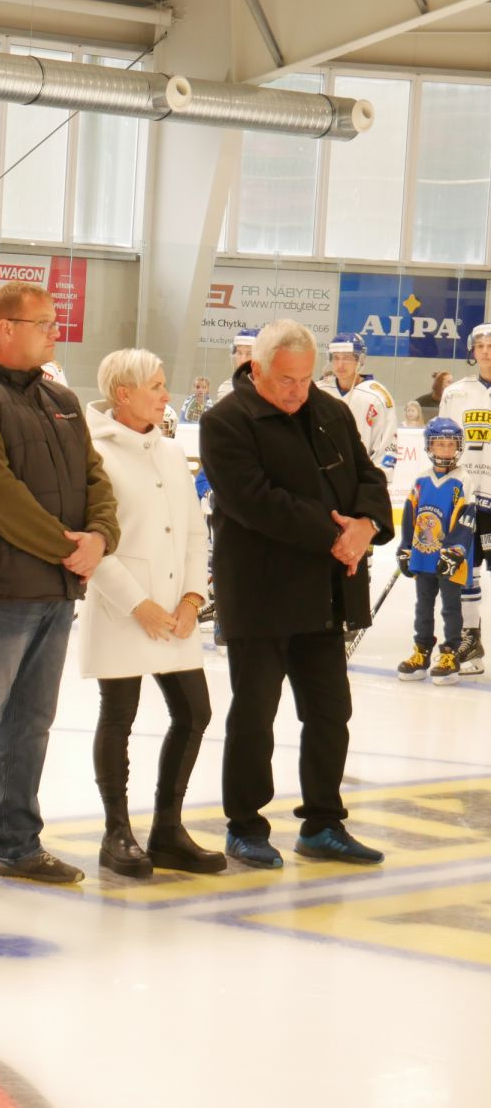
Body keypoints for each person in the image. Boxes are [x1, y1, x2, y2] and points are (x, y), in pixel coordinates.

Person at [0, 281, 120, 891]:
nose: (55, 333)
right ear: (5, 329)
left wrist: (101, 536)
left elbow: (96, 480)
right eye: (44, 323)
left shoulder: (60, 399)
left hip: (56, 587)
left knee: (32, 721)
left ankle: (18, 843)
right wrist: (72, 549)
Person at [200, 319, 393, 870]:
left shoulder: (330, 411)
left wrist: (366, 525)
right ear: (256, 369)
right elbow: (254, 501)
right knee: (254, 714)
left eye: (306, 379)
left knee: (331, 711)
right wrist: (337, 535)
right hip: (260, 593)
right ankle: (245, 825)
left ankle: (323, 823)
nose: (297, 390)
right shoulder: (226, 421)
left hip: (326, 591)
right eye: (286, 380)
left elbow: (368, 478)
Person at [80, 350, 223, 878]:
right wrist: (136, 603)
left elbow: (193, 532)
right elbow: (90, 540)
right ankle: (116, 832)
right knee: (119, 716)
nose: (167, 395)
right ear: (124, 393)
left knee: (194, 713)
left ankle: (168, 829)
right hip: (123, 608)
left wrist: (191, 599)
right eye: (156, 386)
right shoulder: (92, 451)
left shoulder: (170, 451)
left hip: (175, 610)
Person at [396, 418, 477, 686]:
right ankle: (421, 652)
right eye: (439, 444)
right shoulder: (421, 479)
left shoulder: (463, 480)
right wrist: (405, 547)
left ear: (459, 447)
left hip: (451, 560)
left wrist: (454, 552)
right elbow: (409, 516)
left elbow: (466, 520)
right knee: (423, 607)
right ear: (429, 446)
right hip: (423, 555)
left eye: (450, 444)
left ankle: (450, 655)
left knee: (451, 608)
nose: (445, 449)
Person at [437, 323, 491, 675]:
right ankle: (471, 640)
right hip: (469, 495)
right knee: (467, 568)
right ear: (472, 350)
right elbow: (442, 443)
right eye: (481, 345)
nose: (486, 350)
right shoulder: (455, 393)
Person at [318, 332, 399, 471]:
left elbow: (386, 446)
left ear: (359, 359)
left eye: (347, 358)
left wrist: (375, 479)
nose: (340, 364)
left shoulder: (377, 397)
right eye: (336, 357)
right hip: (322, 477)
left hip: (360, 477)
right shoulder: (320, 391)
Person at [212, 327, 258, 401]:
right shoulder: (226, 388)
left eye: (249, 353)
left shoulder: (270, 390)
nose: (243, 360)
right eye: (239, 353)